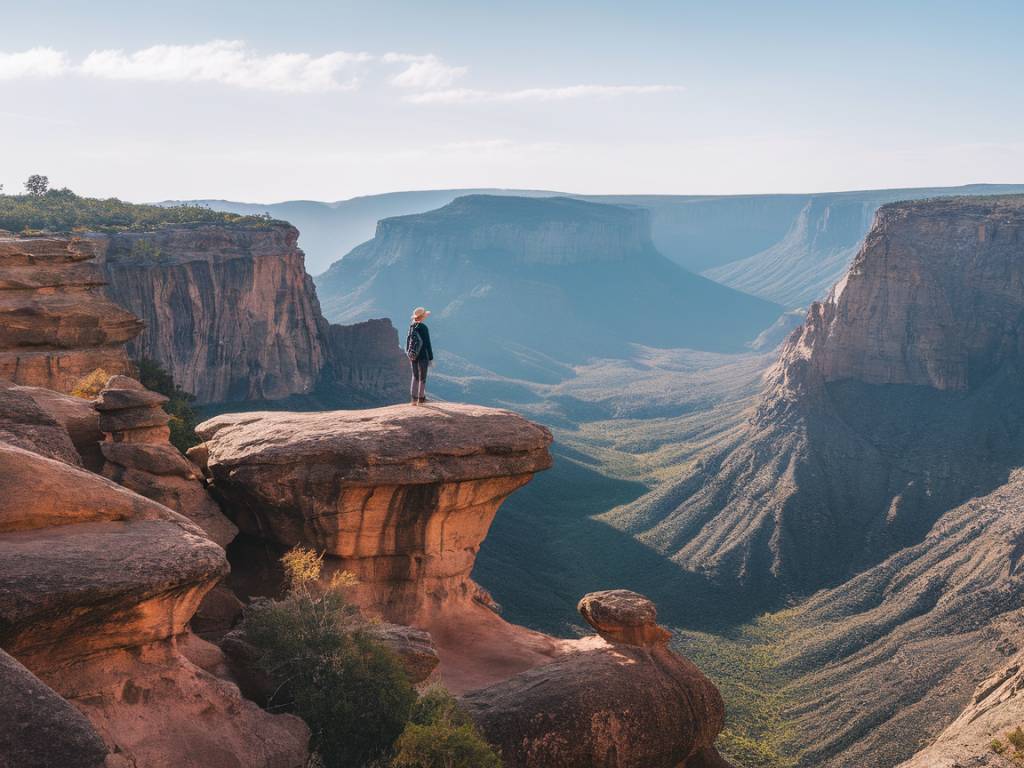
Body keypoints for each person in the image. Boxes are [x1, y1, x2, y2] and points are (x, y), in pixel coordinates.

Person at [406, 307, 434, 405]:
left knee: (415, 376)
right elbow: (427, 343)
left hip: (413, 355)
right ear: (422, 317)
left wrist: (409, 354)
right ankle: (421, 399)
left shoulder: (411, 326)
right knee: (422, 377)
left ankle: (413, 399)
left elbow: (408, 341)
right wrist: (431, 358)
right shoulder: (423, 327)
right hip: (423, 356)